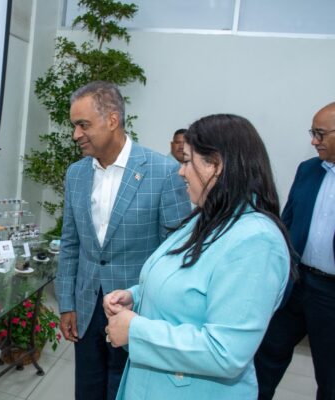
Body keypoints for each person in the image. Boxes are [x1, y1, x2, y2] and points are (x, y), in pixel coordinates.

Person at [103, 114, 293, 399]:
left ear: (216, 165)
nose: (181, 172)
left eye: (187, 161)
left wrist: (136, 331)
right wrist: (136, 297)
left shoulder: (256, 241)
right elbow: (187, 286)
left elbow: (225, 351)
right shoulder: (207, 216)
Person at [55, 81, 191, 400]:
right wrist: (67, 303)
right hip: (87, 306)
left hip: (136, 309)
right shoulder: (76, 174)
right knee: (88, 389)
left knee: (125, 390)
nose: (75, 134)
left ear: (112, 120)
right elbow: (70, 243)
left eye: (83, 125)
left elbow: (175, 252)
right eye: (74, 125)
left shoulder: (163, 172)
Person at [255, 102, 335, 400]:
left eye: (320, 134)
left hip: (331, 293)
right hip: (297, 282)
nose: (314, 141)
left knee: (329, 375)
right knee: (265, 358)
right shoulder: (308, 170)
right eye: (312, 133)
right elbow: (287, 222)